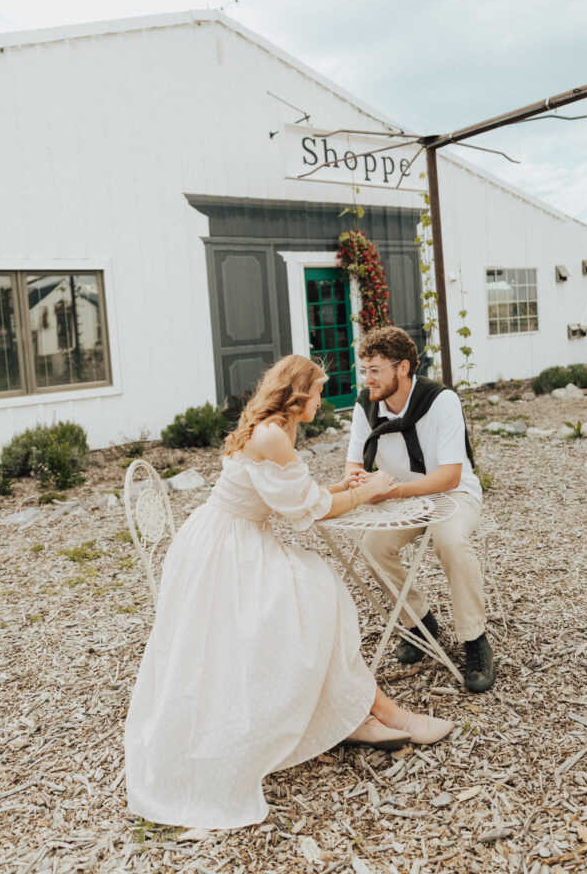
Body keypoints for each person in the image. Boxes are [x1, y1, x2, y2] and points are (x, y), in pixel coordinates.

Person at [125, 355, 454, 831]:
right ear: (299, 394)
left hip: (222, 539)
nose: (323, 400)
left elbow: (289, 495)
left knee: (318, 592)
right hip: (227, 551)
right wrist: (372, 488)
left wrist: (343, 485)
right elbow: (309, 513)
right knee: (317, 594)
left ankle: (366, 711)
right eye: (319, 391)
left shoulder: (269, 428)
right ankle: (380, 712)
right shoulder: (274, 434)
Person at [344, 327, 495, 693]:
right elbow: (352, 466)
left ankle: (475, 639)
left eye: (375, 369)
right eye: (363, 369)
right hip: (400, 497)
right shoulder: (366, 406)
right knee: (372, 546)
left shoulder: (441, 400)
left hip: (455, 493)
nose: (368, 378)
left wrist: (393, 490)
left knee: (450, 541)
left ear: (404, 367)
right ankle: (419, 622)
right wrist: (363, 485)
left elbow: (449, 475)